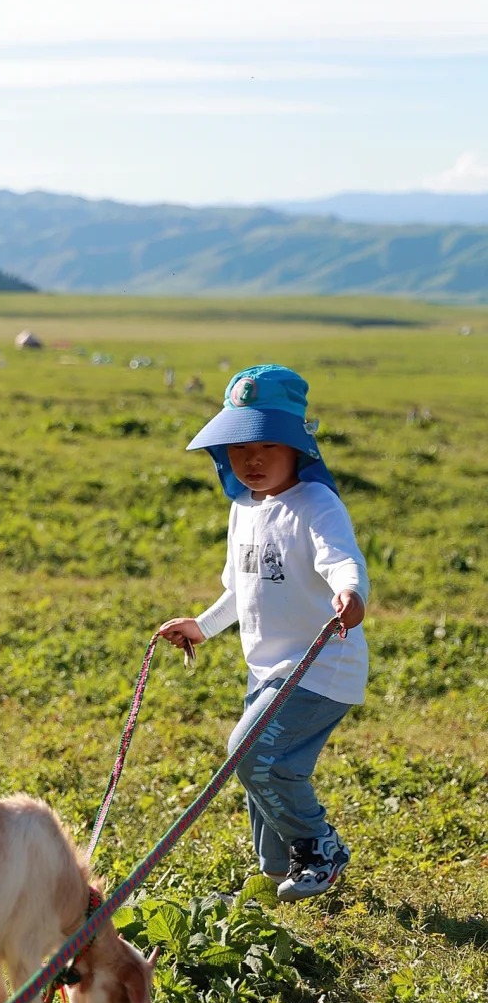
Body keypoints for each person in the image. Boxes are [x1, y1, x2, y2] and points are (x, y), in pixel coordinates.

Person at [158, 364, 369, 899]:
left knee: (250, 753)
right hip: (268, 669)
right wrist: (202, 627)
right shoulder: (243, 509)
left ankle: (319, 846)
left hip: (320, 665)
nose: (251, 459)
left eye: (268, 444)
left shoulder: (316, 504)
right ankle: (276, 873)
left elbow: (341, 559)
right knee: (256, 768)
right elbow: (241, 590)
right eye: (237, 446)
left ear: (298, 445)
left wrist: (350, 593)